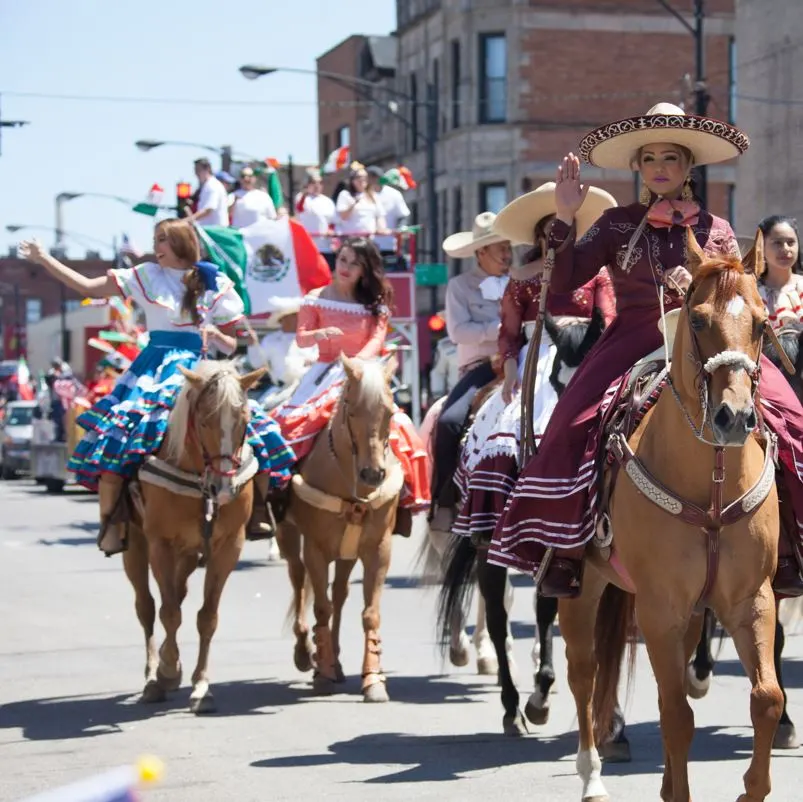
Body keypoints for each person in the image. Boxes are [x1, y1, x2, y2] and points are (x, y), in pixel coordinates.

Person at [488, 101, 803, 598]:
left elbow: (733, 288)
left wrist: (700, 284)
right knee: (574, 422)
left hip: (712, 341)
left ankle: (785, 548)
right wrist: (566, 217)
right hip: (634, 339)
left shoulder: (716, 228)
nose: (660, 168)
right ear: (638, 166)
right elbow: (567, 278)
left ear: (687, 166)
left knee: (790, 419)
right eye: (650, 158)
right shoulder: (615, 224)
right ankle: (566, 551)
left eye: (670, 158)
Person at [18, 219, 295, 555]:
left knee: (251, 425)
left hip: (202, 365)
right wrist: (45, 259)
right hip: (155, 366)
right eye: (155, 239)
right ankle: (113, 521)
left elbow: (235, 340)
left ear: (181, 241)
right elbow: (88, 288)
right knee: (120, 433)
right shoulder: (146, 275)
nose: (156, 246)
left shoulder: (213, 281)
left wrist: (217, 335)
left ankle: (258, 511)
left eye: (162, 239)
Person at [453, 182, 617, 542]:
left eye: (566, 230)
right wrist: (511, 369)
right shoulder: (521, 279)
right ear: (539, 237)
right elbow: (509, 334)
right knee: (508, 420)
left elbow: (607, 320)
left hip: (584, 354)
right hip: (536, 355)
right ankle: (494, 510)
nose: (557, 237)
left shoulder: (596, 274)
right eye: (550, 231)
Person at [270, 237, 430, 535]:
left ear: (365, 270)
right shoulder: (314, 299)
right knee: (288, 426)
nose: (345, 267)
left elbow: (377, 340)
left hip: (364, 372)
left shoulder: (376, 304)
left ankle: (401, 502)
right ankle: (280, 494)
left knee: (400, 429)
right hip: (323, 372)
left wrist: (356, 367)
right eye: (343, 260)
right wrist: (320, 333)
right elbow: (302, 338)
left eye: (354, 263)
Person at [429, 213, 512, 531]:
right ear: (480, 253)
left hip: (519, 363)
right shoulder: (459, 286)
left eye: (507, 247)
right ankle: (445, 500)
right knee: (449, 422)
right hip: (480, 367)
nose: (506, 254)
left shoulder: (519, 281)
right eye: (498, 248)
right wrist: (502, 328)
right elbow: (459, 332)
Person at [756, 214, 803, 330]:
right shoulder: (752, 293)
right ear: (761, 246)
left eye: (791, 242)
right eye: (777, 243)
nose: (786, 248)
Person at [295, 168, 337, 270]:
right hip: (307, 248)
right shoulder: (302, 198)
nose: (317, 185)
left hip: (325, 247)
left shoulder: (328, 201)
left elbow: (333, 221)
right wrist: (305, 192)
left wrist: (330, 230)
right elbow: (299, 208)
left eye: (320, 182)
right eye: (314, 182)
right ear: (308, 184)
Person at [367, 166, 410, 260]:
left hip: (388, 244)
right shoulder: (362, 194)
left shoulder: (394, 194)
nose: (374, 180)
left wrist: (400, 230)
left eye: (376, 177)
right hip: (366, 244)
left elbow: (403, 216)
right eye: (370, 177)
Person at [335, 163, 388, 238]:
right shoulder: (345, 195)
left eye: (365, 177)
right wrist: (353, 204)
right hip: (351, 238)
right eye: (359, 177)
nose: (362, 179)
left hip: (369, 238)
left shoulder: (373, 195)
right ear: (353, 180)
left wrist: (382, 228)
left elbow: (379, 215)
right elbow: (343, 216)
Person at [188, 158, 229, 228]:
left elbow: (208, 210)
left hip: (215, 231)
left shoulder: (212, 185)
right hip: (208, 231)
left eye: (198, 170)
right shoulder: (207, 186)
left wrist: (187, 220)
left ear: (207, 169)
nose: (196, 174)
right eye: (195, 170)